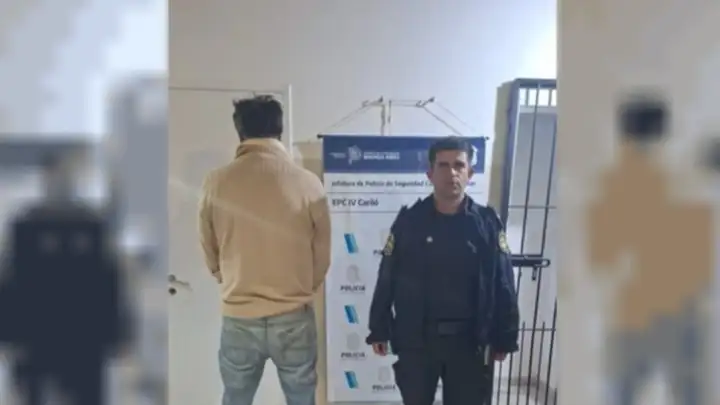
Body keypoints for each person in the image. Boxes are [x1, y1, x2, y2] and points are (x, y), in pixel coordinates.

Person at [366, 136, 519, 405]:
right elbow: (387, 275)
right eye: (443, 165)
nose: (452, 173)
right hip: (417, 339)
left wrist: (505, 335)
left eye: (459, 165)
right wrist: (379, 327)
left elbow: (503, 281)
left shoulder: (486, 224)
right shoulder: (409, 222)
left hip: (469, 341)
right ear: (430, 173)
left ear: (470, 173)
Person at [198, 95, 331, 405]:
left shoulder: (215, 182)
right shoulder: (308, 183)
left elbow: (208, 245)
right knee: (302, 399)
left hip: (239, 314)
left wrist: (225, 276)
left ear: (240, 131)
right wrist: (302, 287)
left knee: (236, 398)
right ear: (279, 130)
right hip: (293, 314)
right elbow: (322, 254)